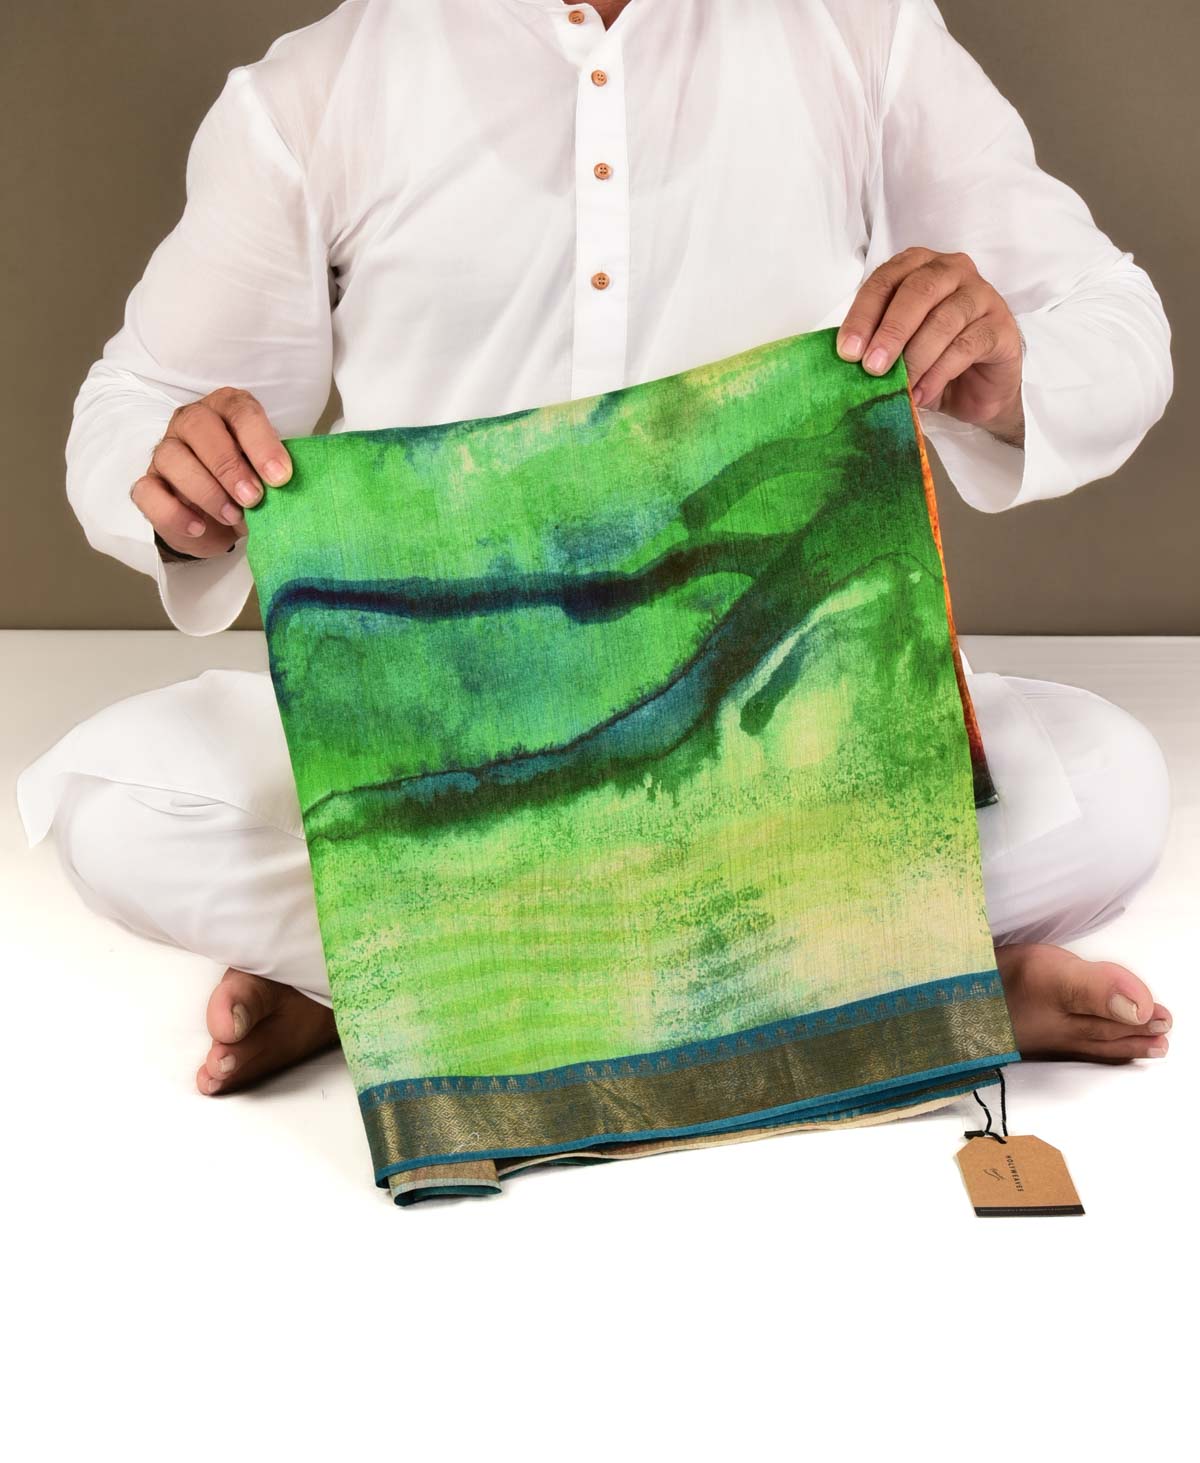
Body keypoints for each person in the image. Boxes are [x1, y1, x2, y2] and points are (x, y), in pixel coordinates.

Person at [16, 0, 1175, 1098]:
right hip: (444, 754)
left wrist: (1008, 375)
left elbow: (1113, 320)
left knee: (1112, 787)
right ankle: (895, 976)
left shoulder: (859, 31)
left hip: (779, 734)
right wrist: (177, 478)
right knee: (110, 810)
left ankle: (395, 982)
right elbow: (138, 397)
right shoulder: (319, 88)